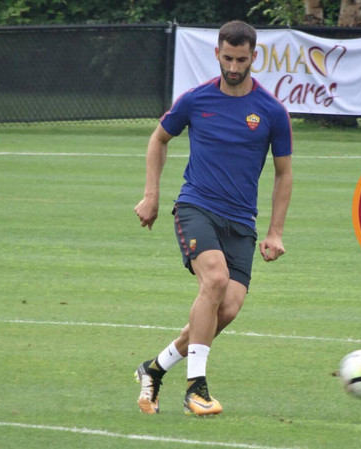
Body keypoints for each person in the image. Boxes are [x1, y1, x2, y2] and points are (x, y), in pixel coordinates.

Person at [133, 20, 293, 416]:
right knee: (216, 280)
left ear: (254, 57)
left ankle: (155, 369)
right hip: (196, 207)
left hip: (241, 221)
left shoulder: (272, 111)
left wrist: (275, 232)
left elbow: (284, 173)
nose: (234, 67)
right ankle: (196, 389)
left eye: (242, 60)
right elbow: (159, 138)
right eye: (228, 58)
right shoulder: (195, 99)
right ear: (217, 54)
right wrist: (151, 195)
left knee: (228, 308)